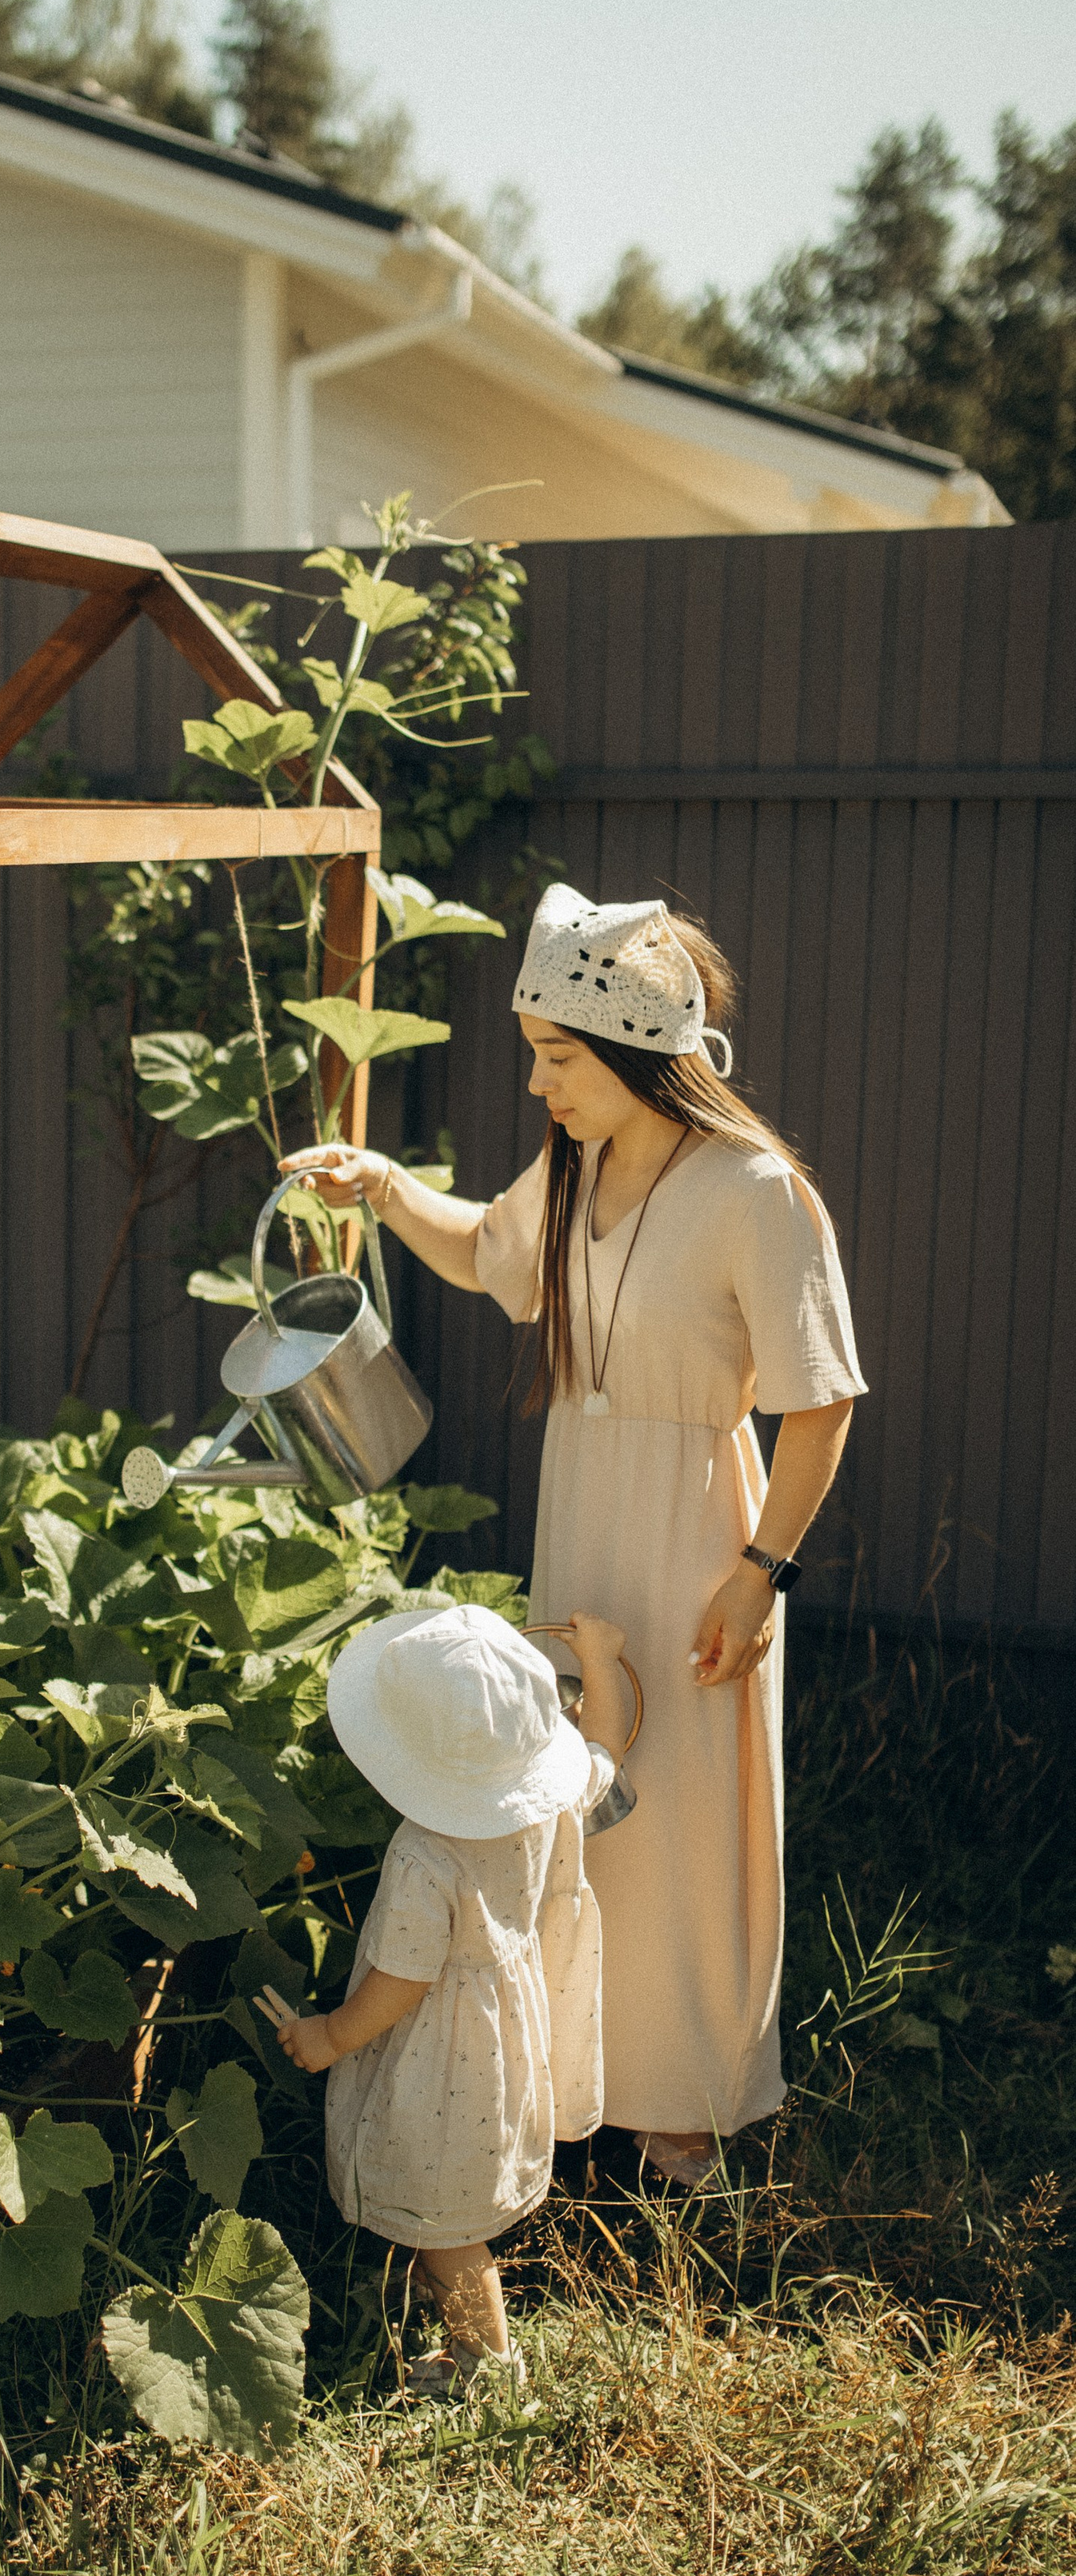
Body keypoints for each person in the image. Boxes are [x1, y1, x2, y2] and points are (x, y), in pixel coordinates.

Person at [283, 885, 864, 2187]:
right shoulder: (574, 1168)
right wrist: (380, 1188)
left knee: (685, 1814)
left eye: (558, 1056)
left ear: (636, 1052)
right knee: (579, 1807)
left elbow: (819, 1407)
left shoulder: (757, 1193)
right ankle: (586, 2072)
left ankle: (688, 2104)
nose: (538, 1081)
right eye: (536, 1053)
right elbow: (487, 1251)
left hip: (701, 1537)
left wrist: (757, 1575)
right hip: (583, 1511)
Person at [258, 1601, 632, 2390]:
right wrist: (599, 1658)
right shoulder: (548, 1796)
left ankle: (486, 2365)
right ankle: (445, 2301)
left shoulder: (425, 1857)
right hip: (503, 2024)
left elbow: (402, 1977)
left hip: (436, 2049)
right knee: (457, 2182)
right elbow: (605, 1744)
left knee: (446, 2226)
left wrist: (329, 2034)